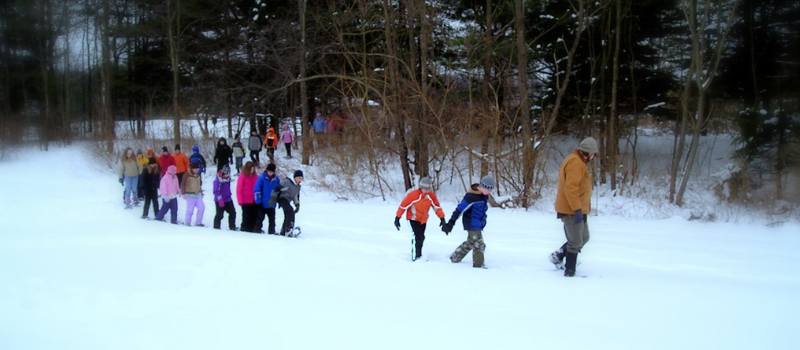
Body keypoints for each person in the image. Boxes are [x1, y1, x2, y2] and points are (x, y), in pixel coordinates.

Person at [549, 137, 598, 277]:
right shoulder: (576, 163)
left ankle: (558, 256)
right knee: (575, 242)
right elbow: (571, 188)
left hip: (579, 208)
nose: (594, 157)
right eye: (593, 154)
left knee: (584, 237)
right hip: (571, 210)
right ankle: (570, 271)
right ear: (588, 152)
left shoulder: (580, 162)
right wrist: (577, 209)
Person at [441, 175, 495, 268]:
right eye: (488, 190)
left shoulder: (483, 196)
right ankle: (479, 265)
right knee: (479, 244)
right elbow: (459, 209)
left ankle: (455, 257)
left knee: (471, 242)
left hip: (478, 223)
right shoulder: (471, 197)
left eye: (491, 190)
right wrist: (451, 223)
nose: (489, 192)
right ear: (482, 186)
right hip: (471, 223)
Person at [394, 177, 446, 261]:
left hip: (423, 220)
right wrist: (397, 217)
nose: (427, 191)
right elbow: (403, 206)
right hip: (412, 219)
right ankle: (416, 257)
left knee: (421, 237)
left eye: (428, 189)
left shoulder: (431, 196)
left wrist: (442, 218)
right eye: (425, 189)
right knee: (417, 237)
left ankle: (419, 254)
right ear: (421, 188)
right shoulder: (413, 195)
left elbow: (437, 207)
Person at [269, 170, 303, 237]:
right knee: (289, 210)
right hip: (281, 198)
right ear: (295, 177)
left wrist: (297, 205)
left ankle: (284, 230)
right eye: (299, 178)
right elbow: (276, 189)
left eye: (301, 178)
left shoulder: (298, 187)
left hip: (288, 200)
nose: (300, 180)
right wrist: (273, 198)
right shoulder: (287, 182)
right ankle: (288, 230)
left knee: (290, 213)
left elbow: (295, 196)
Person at [253, 163, 280, 234]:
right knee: (260, 218)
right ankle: (257, 231)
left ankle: (272, 232)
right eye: (269, 171)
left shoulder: (276, 179)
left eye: (272, 172)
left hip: (272, 203)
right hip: (262, 203)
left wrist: (277, 199)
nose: (270, 173)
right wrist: (258, 202)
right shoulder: (262, 178)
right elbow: (257, 190)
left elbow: (278, 189)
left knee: (272, 220)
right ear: (266, 171)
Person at [212, 165, 237, 231]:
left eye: (228, 174)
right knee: (219, 215)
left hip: (228, 199)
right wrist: (220, 199)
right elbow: (216, 191)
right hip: (220, 200)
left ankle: (232, 226)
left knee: (233, 212)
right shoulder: (218, 180)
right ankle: (216, 228)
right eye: (226, 174)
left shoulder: (228, 179)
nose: (228, 175)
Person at [181, 162, 205, 227]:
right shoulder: (187, 174)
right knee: (190, 210)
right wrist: (183, 193)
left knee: (201, 208)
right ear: (192, 169)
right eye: (195, 169)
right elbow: (183, 184)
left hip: (198, 195)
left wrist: (201, 192)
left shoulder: (198, 175)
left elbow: (199, 184)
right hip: (190, 195)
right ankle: (187, 222)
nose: (197, 170)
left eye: (197, 169)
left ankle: (198, 222)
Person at [236, 161, 259, 232]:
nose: (252, 171)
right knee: (246, 216)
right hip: (245, 200)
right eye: (251, 169)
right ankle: (245, 229)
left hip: (254, 200)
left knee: (254, 215)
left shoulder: (256, 177)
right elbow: (239, 189)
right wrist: (240, 201)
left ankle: (252, 229)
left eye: (253, 169)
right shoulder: (242, 176)